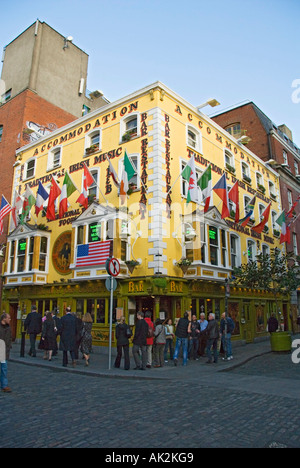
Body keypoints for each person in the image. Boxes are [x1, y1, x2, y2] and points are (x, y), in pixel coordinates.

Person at [0, 313, 12, 393]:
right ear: (4, 318)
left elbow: (9, 338)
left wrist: (8, 346)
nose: (10, 319)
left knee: (4, 369)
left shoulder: (8, 328)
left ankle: (4, 385)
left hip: (4, 351)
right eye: (9, 318)